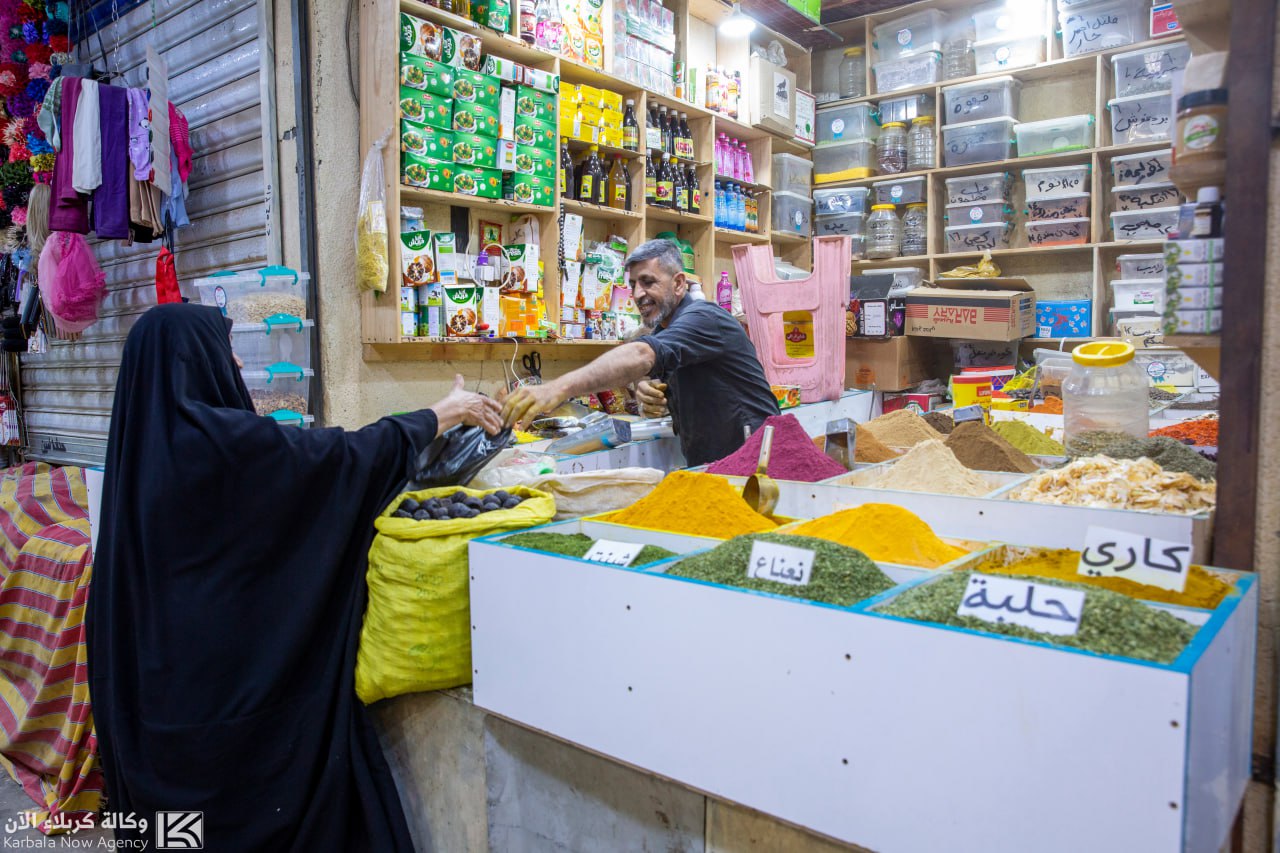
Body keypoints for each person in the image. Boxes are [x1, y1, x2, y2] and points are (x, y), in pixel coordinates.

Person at [85, 304, 502, 852]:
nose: (235, 360)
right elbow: (341, 461)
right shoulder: (226, 444)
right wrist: (441, 414)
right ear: (196, 359)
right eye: (224, 348)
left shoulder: (135, 454)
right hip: (226, 719)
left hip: (157, 711)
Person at [502, 239, 779, 466]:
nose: (637, 294)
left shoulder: (703, 317)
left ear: (679, 283)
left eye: (648, 282)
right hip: (716, 464)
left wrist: (559, 388)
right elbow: (654, 363)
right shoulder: (665, 330)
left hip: (757, 463)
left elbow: (642, 355)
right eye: (633, 283)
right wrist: (648, 387)